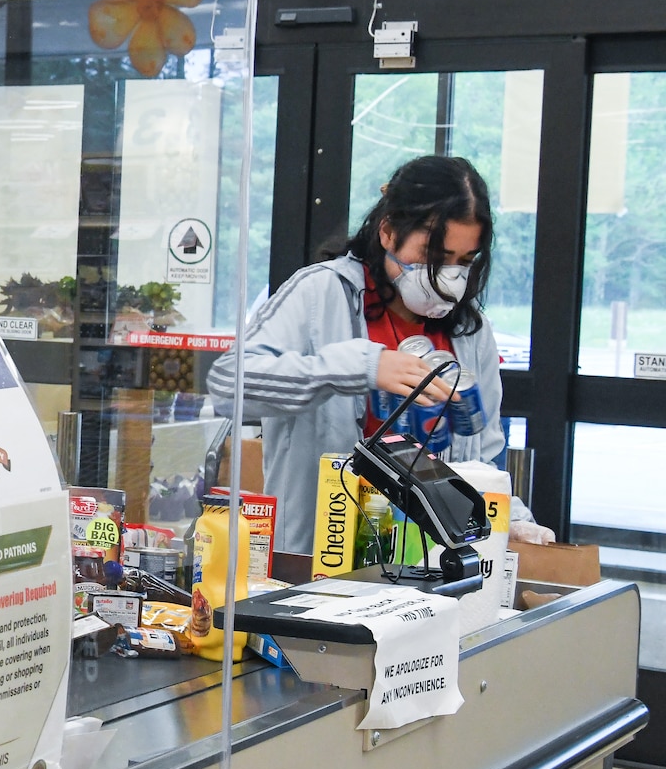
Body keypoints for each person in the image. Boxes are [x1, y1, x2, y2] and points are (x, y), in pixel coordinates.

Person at [208, 154, 551, 558]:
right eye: (434, 256)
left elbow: (483, 451)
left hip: (426, 565)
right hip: (319, 560)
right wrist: (358, 367)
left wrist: (515, 518)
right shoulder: (321, 294)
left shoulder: (469, 329)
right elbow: (228, 383)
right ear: (388, 232)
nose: (450, 276)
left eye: (465, 261)